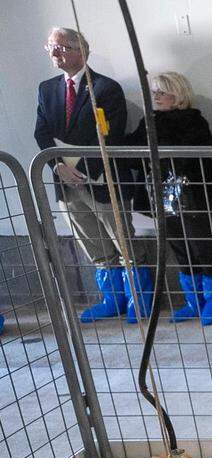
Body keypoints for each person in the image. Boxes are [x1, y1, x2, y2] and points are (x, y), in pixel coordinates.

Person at [35, 27, 153, 324]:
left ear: (81, 50)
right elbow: (42, 132)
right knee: (92, 242)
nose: (54, 52)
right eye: (51, 46)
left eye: (60, 47)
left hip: (103, 179)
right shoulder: (47, 89)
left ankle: (140, 301)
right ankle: (111, 298)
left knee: (122, 239)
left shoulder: (105, 87)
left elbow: (107, 134)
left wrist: (82, 171)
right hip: (65, 181)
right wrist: (58, 167)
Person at [127, 71, 212, 326]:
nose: (157, 97)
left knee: (202, 246)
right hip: (161, 196)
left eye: (162, 92)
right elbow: (133, 152)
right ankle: (193, 302)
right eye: (154, 92)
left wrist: (162, 153)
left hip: (192, 195)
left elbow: (194, 155)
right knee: (178, 247)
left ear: (178, 94)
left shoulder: (193, 120)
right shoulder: (148, 122)